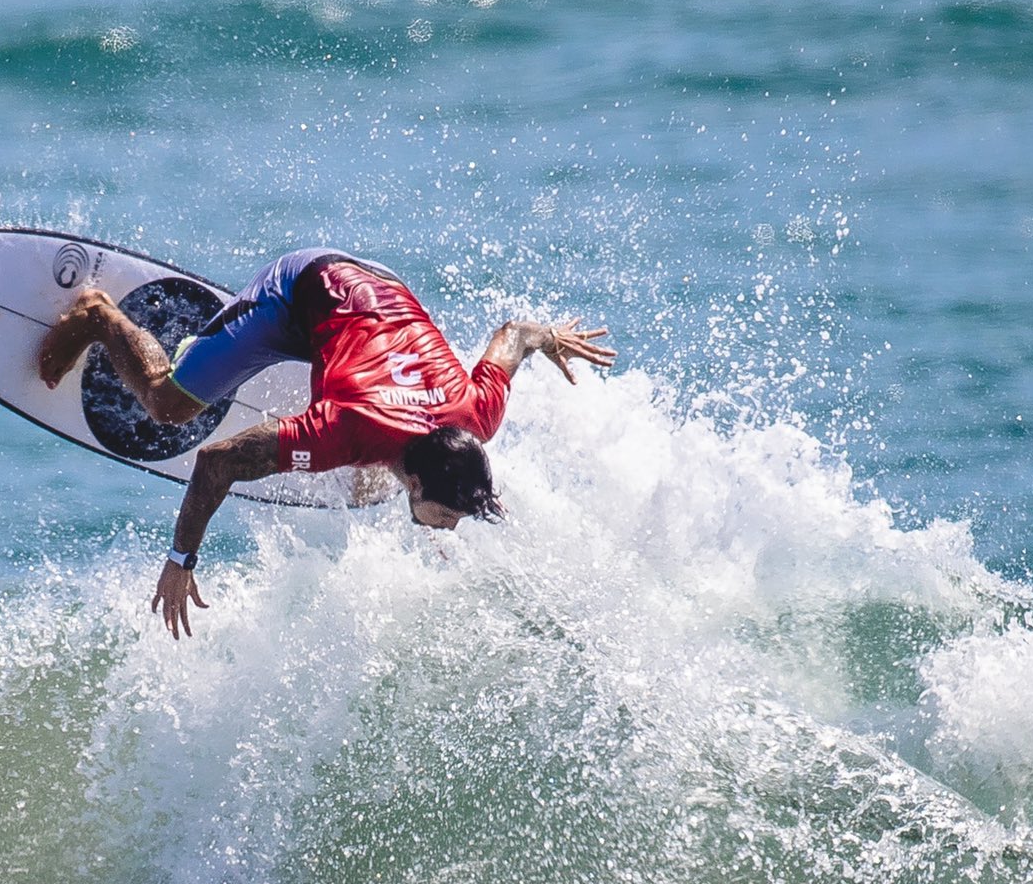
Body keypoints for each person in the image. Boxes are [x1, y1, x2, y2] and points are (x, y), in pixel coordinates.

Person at [36, 248, 615, 638]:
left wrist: (551, 337)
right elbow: (217, 461)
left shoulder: (477, 415)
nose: (453, 524)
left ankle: (329, 359)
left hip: (380, 284)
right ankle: (99, 316)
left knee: (364, 481)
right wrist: (180, 560)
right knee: (169, 406)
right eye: (449, 513)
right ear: (415, 481)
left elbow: (515, 335)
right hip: (303, 289)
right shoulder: (344, 431)